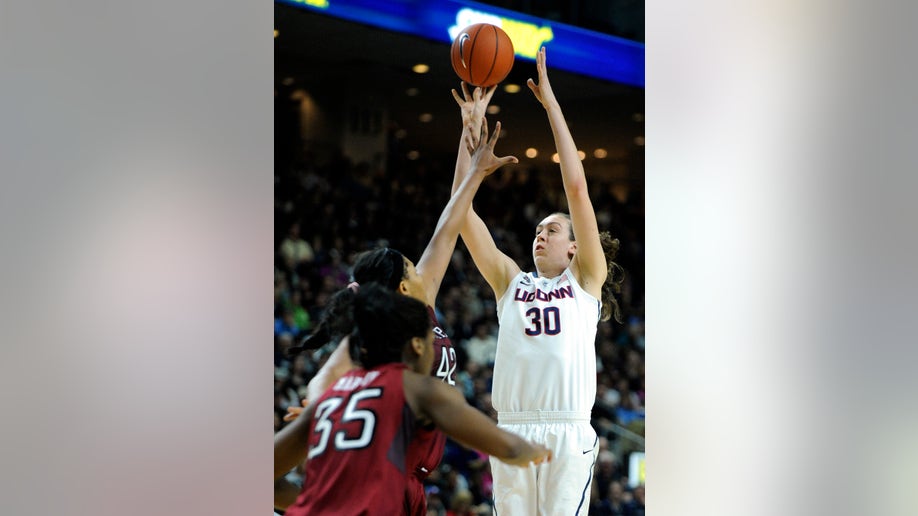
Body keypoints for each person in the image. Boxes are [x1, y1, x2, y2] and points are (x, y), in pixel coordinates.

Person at [276, 117, 518, 513]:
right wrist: (325, 408)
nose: (422, 269)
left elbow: (447, 228)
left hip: (412, 476)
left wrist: (471, 152)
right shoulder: (377, 336)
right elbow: (321, 383)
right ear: (404, 286)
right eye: (412, 266)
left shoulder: (420, 306)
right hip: (382, 471)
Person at [449, 47, 625, 514]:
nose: (540, 236)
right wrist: (468, 139)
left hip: (567, 429)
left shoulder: (587, 280)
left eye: (552, 229)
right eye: (536, 230)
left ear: (574, 247)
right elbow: (459, 216)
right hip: (512, 427)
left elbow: (577, 188)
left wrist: (552, 106)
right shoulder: (510, 281)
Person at [275, 283, 552, 515]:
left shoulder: (328, 399)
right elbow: (511, 450)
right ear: (418, 345)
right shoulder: (418, 388)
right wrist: (537, 450)